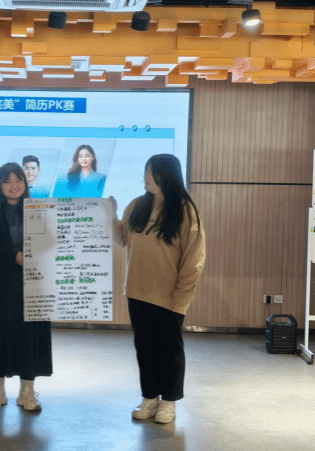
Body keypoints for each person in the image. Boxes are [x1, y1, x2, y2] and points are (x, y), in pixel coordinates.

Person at [113, 154, 206, 424]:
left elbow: (194, 260)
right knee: (145, 348)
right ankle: (150, 397)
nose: (145, 176)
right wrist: (110, 214)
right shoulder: (137, 205)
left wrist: (181, 298)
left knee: (169, 350)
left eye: (151, 172)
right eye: (145, 171)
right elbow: (122, 239)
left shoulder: (185, 211)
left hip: (169, 296)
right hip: (137, 291)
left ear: (167, 175)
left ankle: (169, 401)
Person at [0, 162, 53, 412]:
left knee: (30, 335)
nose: (13, 185)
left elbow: (49, 243)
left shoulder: (38, 211)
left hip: (32, 283)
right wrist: (14, 257)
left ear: (25, 184)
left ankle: (27, 391)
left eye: (18, 180)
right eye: (7, 181)